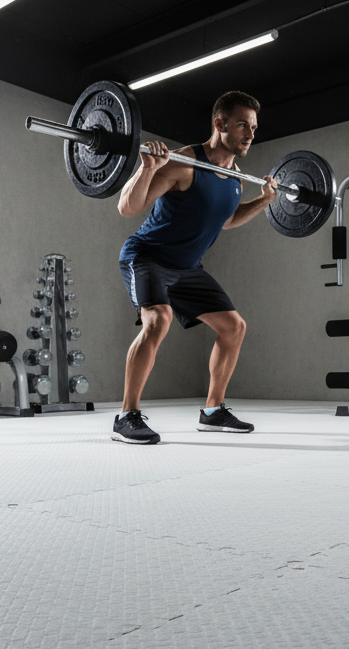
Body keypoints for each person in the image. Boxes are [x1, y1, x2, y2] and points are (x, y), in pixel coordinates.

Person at [112, 91, 278, 445]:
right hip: (147, 256)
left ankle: (212, 411)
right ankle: (126, 415)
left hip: (187, 267)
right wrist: (147, 168)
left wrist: (262, 201)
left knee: (233, 327)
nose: (250, 134)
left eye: (253, 127)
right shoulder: (185, 162)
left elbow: (227, 219)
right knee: (158, 319)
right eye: (242, 125)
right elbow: (128, 207)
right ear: (219, 124)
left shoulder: (233, 178)